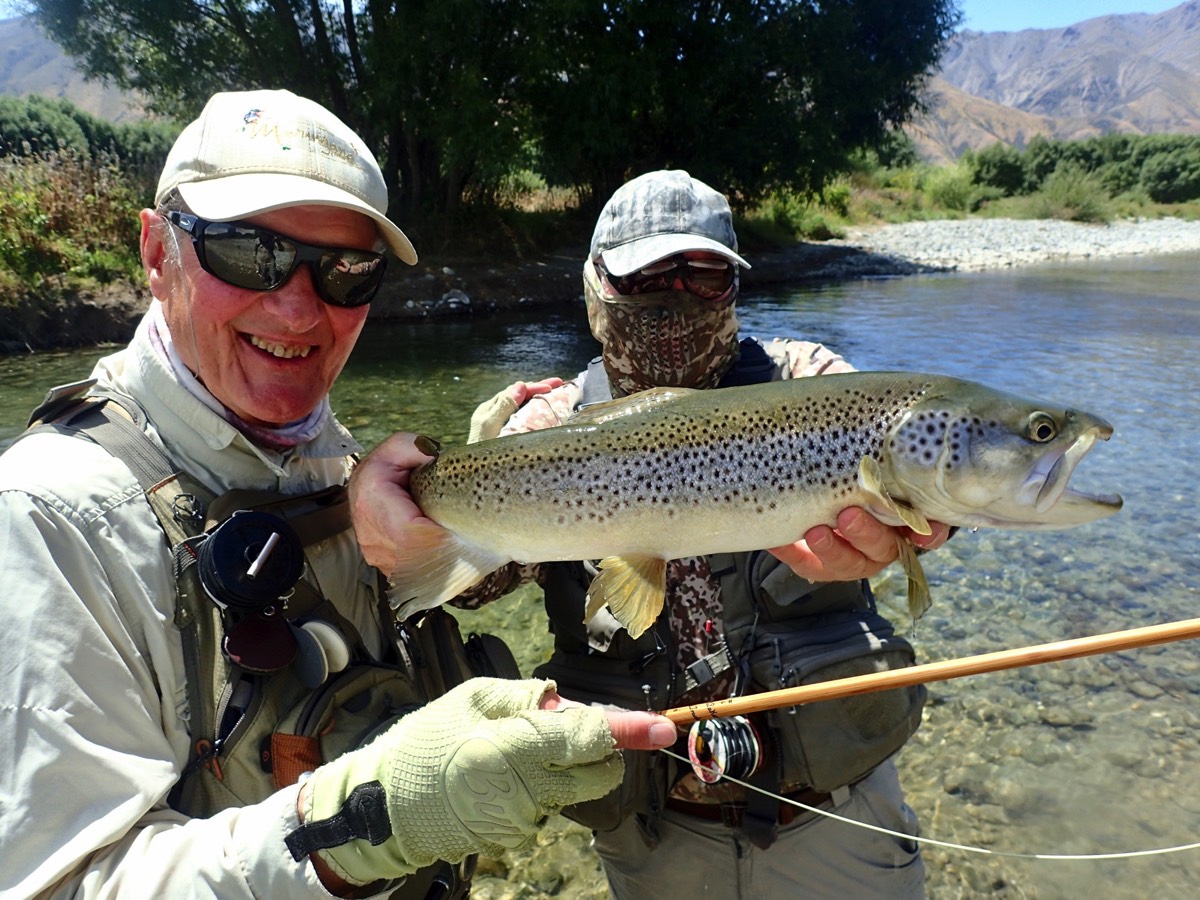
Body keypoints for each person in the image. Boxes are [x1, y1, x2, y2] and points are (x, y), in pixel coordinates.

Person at [0, 89, 675, 900]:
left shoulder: (347, 467)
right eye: (248, 253)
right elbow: (60, 884)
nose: (296, 307)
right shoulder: (47, 517)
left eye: (345, 271)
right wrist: (360, 828)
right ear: (155, 251)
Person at [459, 170, 951, 899]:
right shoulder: (551, 427)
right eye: (650, 277)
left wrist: (936, 521)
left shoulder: (805, 382)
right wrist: (468, 484)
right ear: (595, 288)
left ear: (735, 289)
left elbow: (928, 449)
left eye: (705, 278)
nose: (678, 297)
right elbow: (468, 585)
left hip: (836, 815)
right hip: (654, 833)